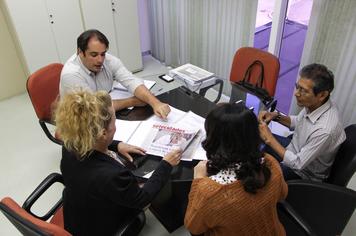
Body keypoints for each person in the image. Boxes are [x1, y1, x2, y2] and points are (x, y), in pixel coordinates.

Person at [54, 90, 182, 236]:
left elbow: (90, 142)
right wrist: (166, 164)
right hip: (100, 226)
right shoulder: (112, 175)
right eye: (114, 122)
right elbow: (142, 199)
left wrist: (117, 145)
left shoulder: (69, 146)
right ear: (102, 134)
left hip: (78, 212)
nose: (115, 126)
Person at [184, 103, 287, 236]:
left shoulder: (209, 192)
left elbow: (193, 227)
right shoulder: (270, 162)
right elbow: (282, 194)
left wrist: (198, 179)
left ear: (214, 140)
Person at [259, 63, 346, 181]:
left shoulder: (325, 129)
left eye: (303, 90)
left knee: (258, 177)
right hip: (294, 149)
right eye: (297, 87)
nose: (296, 93)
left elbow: (297, 164)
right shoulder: (317, 104)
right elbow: (297, 122)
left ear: (322, 95)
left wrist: (269, 139)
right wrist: (275, 116)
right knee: (256, 135)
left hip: (303, 174)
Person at [59, 29, 170, 119]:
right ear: (80, 52)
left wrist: (155, 103)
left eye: (103, 54)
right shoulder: (72, 75)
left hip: (107, 111)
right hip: (82, 120)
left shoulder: (107, 60)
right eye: (93, 55)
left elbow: (131, 81)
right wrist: (133, 101)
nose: (100, 60)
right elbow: (94, 108)